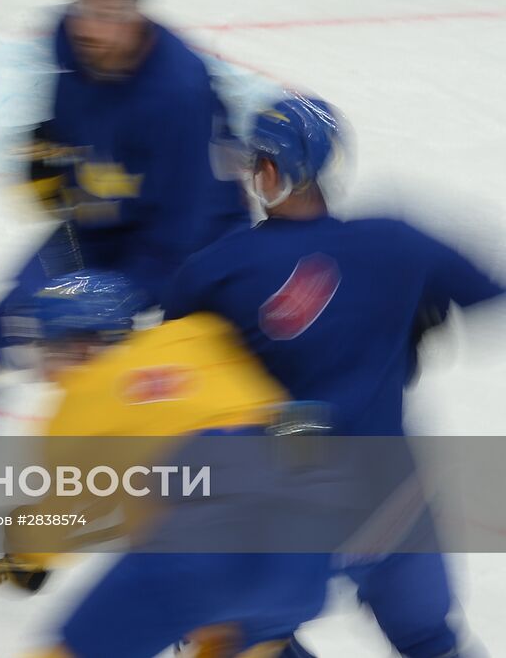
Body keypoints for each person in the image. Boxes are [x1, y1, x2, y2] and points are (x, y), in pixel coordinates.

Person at [165, 95, 506, 658]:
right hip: (390, 497)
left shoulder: (216, 271)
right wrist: (418, 312)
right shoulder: (394, 242)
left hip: (282, 507)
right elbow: (488, 290)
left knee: (232, 638)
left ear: (269, 170)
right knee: (430, 640)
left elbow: (170, 379)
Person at [0, 0, 248, 435]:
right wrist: (52, 162)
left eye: (110, 14)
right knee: (4, 321)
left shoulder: (179, 92)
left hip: (194, 250)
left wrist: (111, 301)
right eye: (87, 6)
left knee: (126, 383)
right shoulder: (66, 38)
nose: (92, 26)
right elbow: (63, 131)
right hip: (97, 226)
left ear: (136, 15)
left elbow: (173, 241)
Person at [0, 272, 331, 658]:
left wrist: (26, 554)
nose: (44, 372)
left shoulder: (81, 401)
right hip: (305, 558)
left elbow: (56, 520)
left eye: (48, 351)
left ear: (82, 346)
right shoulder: (200, 334)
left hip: (202, 547)